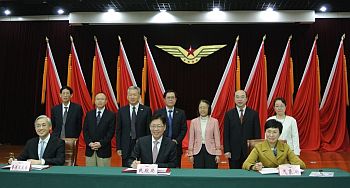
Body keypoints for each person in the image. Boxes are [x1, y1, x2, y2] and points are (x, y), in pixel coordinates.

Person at [224, 90, 261, 169]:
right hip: (233, 152)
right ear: (234, 99)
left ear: (246, 99)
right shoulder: (229, 114)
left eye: (242, 97)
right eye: (237, 97)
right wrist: (227, 150)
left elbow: (257, 134)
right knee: (234, 176)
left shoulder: (254, 114)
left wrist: (257, 150)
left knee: (249, 174)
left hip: (250, 151)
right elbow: (226, 134)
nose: (239, 99)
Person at [116, 86, 152, 167]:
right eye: (130, 95)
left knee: (141, 168)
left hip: (142, 144)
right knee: (126, 169)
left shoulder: (146, 110)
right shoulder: (121, 111)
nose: (132, 97)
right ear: (127, 96)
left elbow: (148, 130)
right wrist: (119, 147)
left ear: (139, 96)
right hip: (126, 145)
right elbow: (119, 130)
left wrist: (148, 145)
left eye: (135, 95)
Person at [154, 90, 187, 168]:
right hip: (161, 144)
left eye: (172, 97)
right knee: (161, 167)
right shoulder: (158, 112)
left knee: (176, 168)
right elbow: (155, 128)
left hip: (176, 145)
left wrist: (176, 141)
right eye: (168, 97)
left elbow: (183, 129)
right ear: (164, 99)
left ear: (175, 99)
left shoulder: (181, 113)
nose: (170, 99)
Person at [83, 92, 115, 167]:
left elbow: (110, 133)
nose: (100, 101)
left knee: (104, 175)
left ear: (106, 101)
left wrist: (100, 144)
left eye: (102, 99)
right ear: (94, 101)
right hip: (90, 149)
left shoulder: (111, 115)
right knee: (90, 175)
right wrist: (90, 143)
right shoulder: (89, 114)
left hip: (104, 150)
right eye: (98, 99)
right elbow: (85, 131)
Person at [188, 100, 221, 169]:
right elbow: (191, 139)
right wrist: (190, 154)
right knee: (198, 173)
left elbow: (217, 138)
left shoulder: (214, 121)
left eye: (205, 107)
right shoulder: (194, 122)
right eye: (201, 107)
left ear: (208, 109)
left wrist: (218, 154)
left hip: (211, 151)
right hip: (197, 151)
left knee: (211, 173)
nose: (202, 109)